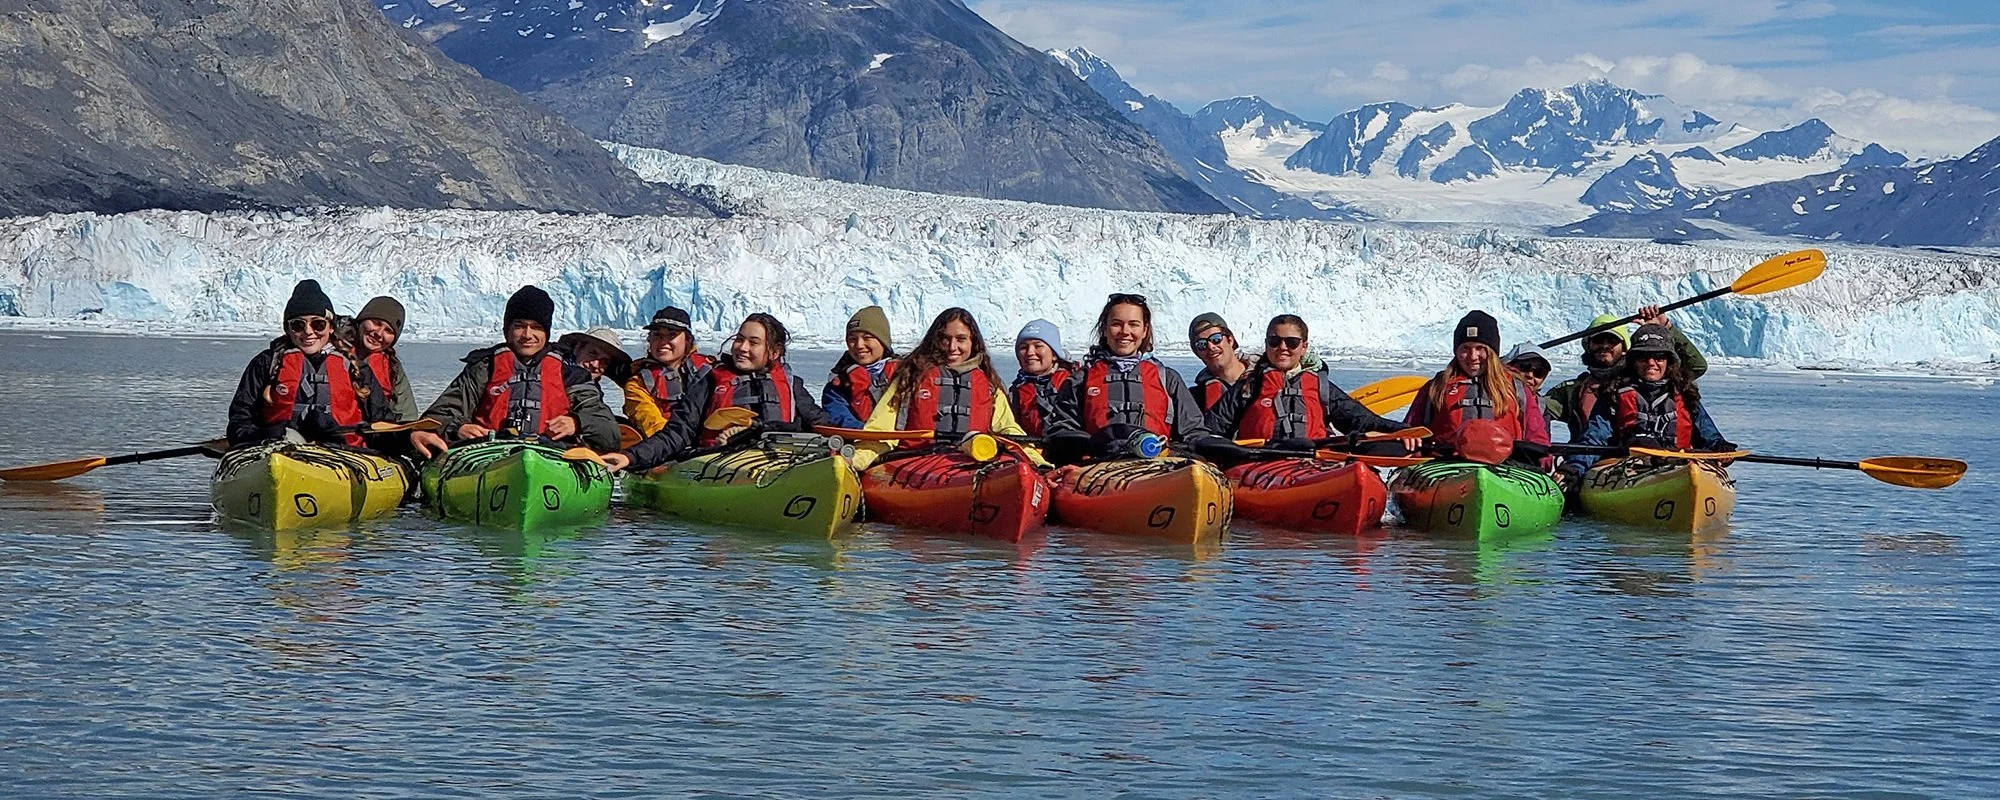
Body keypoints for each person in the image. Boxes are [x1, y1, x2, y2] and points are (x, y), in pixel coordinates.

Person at [409, 285, 620, 457]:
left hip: (555, 460)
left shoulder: (571, 376)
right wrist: (458, 427)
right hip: (487, 457)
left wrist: (577, 422)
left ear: (546, 333)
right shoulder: (483, 368)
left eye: (536, 327)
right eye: (520, 325)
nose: (527, 334)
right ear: (506, 330)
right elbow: (436, 417)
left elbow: (609, 432)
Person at [605, 313, 831, 473]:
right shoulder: (710, 380)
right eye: (739, 339)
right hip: (722, 464)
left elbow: (822, 425)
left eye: (753, 343)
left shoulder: (791, 385)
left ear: (774, 351)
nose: (742, 348)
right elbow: (677, 433)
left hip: (779, 461)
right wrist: (630, 456)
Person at [855, 308, 1046, 468]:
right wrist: (857, 461)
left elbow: (1008, 431)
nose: (952, 347)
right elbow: (880, 430)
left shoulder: (988, 385)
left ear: (973, 342)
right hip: (913, 463)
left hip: (970, 464)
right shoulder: (911, 376)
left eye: (961, 339)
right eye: (945, 339)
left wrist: (1038, 463)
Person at [1045, 293, 1225, 463]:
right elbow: (1062, 430)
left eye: (1134, 324)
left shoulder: (1167, 378)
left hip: (1156, 467)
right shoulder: (1081, 380)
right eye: (1116, 324)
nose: (1125, 331)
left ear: (1145, 330)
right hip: (1098, 467)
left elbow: (1193, 432)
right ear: (1105, 330)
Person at [1559, 324, 1735, 484]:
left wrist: (1720, 447)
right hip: (1629, 468)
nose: (1651, 363)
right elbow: (1594, 439)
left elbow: (1709, 434)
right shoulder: (1614, 394)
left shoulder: (1685, 395)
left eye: (1659, 357)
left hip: (1678, 466)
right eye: (1643, 357)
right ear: (1633, 361)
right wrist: (1574, 467)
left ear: (1668, 362)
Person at [1205, 315, 1409, 450]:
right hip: (1260, 464)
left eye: (1291, 342)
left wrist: (1402, 430)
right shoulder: (1249, 386)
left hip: (1311, 463)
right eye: (1275, 342)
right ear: (1267, 344)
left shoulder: (1320, 386)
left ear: (1304, 347)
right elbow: (1211, 430)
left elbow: (1362, 421)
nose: (1282, 347)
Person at [226, 280, 390, 447]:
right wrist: (261, 435)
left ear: (331, 327)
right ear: (288, 329)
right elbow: (240, 417)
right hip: (279, 448)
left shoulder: (355, 367)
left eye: (318, 324)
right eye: (298, 325)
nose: (308, 332)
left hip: (342, 453)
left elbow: (383, 423)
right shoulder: (266, 363)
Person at [1404, 310, 1552, 466]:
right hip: (1447, 467)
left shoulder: (1516, 388)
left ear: (1492, 352)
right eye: (1465, 349)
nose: (1473, 356)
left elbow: (1536, 436)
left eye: (1480, 348)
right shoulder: (1437, 386)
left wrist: (1542, 461)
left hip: (1506, 468)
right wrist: (1408, 441)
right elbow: (1411, 430)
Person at [1545, 306, 1708, 440]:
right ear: (1588, 345)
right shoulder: (1572, 390)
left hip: (1638, 462)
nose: (1605, 346)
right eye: (1598, 340)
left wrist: (1665, 328)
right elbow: (1537, 408)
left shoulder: (1644, 383)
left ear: (1625, 348)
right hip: (1587, 464)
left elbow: (1697, 367)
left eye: (1612, 340)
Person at [623, 306, 713, 438]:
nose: (663, 342)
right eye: (657, 335)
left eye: (672, 335)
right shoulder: (638, 384)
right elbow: (654, 426)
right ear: (649, 340)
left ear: (687, 339)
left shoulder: (711, 369)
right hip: (671, 449)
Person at [822, 305, 898, 427]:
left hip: (903, 442)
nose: (859, 345)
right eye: (852, 339)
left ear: (883, 341)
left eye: (867, 338)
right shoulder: (839, 384)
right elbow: (838, 415)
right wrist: (867, 431)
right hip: (857, 442)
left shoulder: (907, 375)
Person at [352, 295, 418, 422]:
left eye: (388, 331)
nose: (379, 334)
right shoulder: (331, 350)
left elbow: (406, 415)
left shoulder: (392, 368)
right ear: (362, 319)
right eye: (376, 323)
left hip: (375, 436)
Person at [1009, 319, 1075, 437]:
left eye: (1038, 346)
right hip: (1032, 451)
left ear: (1054, 354)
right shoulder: (1015, 392)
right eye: (1023, 347)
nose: (1030, 352)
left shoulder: (1074, 383)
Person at [1188, 312, 1256, 413]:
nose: (1211, 347)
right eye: (1201, 344)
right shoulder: (1194, 400)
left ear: (1230, 340)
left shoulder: (1264, 377)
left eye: (1216, 339)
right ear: (1197, 353)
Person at [554, 326, 633, 384]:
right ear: (578, 348)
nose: (595, 364)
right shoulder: (550, 375)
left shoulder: (593, 391)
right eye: (592, 353)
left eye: (605, 361)